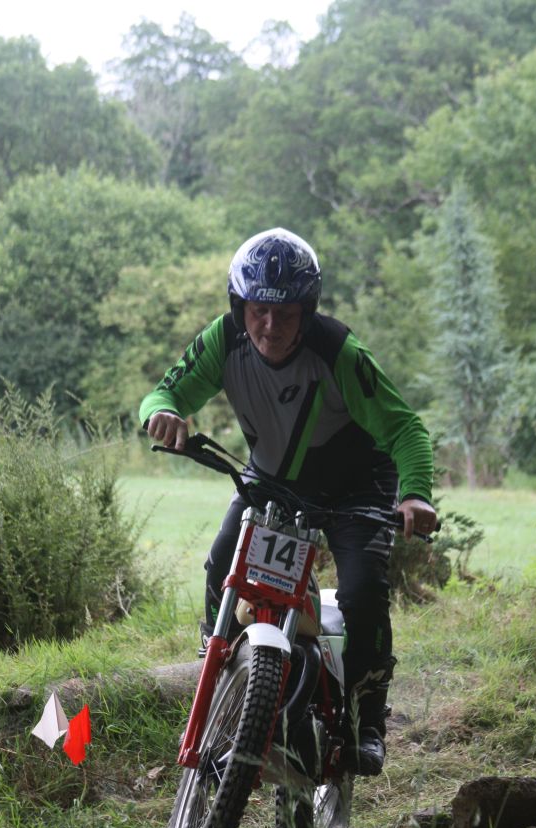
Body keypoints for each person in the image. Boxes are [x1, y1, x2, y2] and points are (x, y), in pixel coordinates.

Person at [139, 228, 436, 776]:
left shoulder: (339, 351)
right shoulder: (222, 338)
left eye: (286, 314)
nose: (270, 327)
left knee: (363, 591)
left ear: (307, 311)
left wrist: (415, 494)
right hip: (274, 480)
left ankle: (369, 718)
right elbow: (165, 392)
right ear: (240, 307)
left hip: (358, 487)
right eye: (258, 311)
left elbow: (405, 429)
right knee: (222, 564)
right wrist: (163, 413)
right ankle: (224, 673)